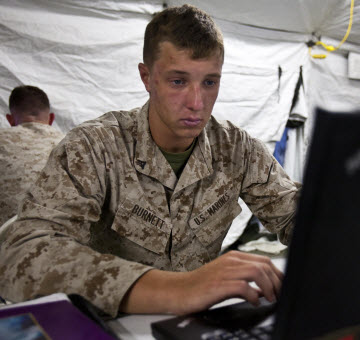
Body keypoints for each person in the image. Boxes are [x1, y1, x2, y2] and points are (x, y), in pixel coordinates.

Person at [0, 5, 300, 317]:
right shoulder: (94, 148)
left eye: (210, 82)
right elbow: (24, 255)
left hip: (191, 327)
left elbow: (300, 220)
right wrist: (179, 289)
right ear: (147, 77)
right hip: (110, 326)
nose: (197, 103)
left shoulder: (238, 150)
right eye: (178, 81)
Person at [0, 85, 64, 226]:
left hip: (9, 240)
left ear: (10, 120)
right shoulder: (73, 144)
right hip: (68, 240)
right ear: (51, 119)